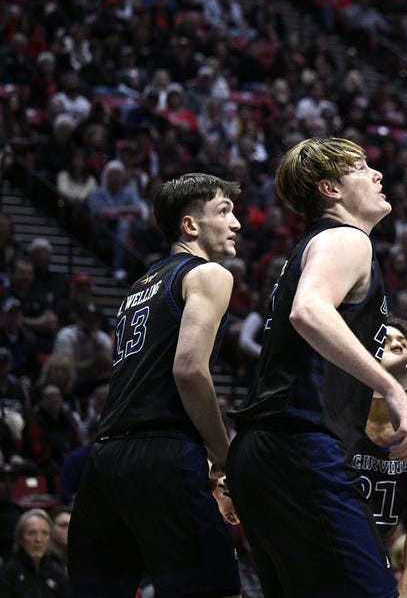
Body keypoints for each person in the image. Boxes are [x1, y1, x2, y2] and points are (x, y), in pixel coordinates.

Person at [227, 137, 407, 598]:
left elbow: (337, 352)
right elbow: (309, 312)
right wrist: (394, 390)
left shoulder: (317, 249)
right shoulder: (347, 239)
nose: (377, 174)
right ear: (331, 190)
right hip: (299, 445)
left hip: (263, 451)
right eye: (362, 168)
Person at [67, 172, 243, 598]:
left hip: (106, 457)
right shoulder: (209, 275)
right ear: (190, 225)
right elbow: (188, 369)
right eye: (224, 211)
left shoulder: (136, 290)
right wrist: (224, 457)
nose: (236, 222)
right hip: (162, 452)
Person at [348, 318, 407, 598]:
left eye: (401, 345)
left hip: (376, 555)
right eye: (383, 340)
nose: (393, 345)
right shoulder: (336, 410)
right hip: (321, 548)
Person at [0, 508, 68, 596]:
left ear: (50, 539)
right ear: (20, 538)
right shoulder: (7, 574)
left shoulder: (58, 572)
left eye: (45, 533)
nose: (38, 539)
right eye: (32, 533)